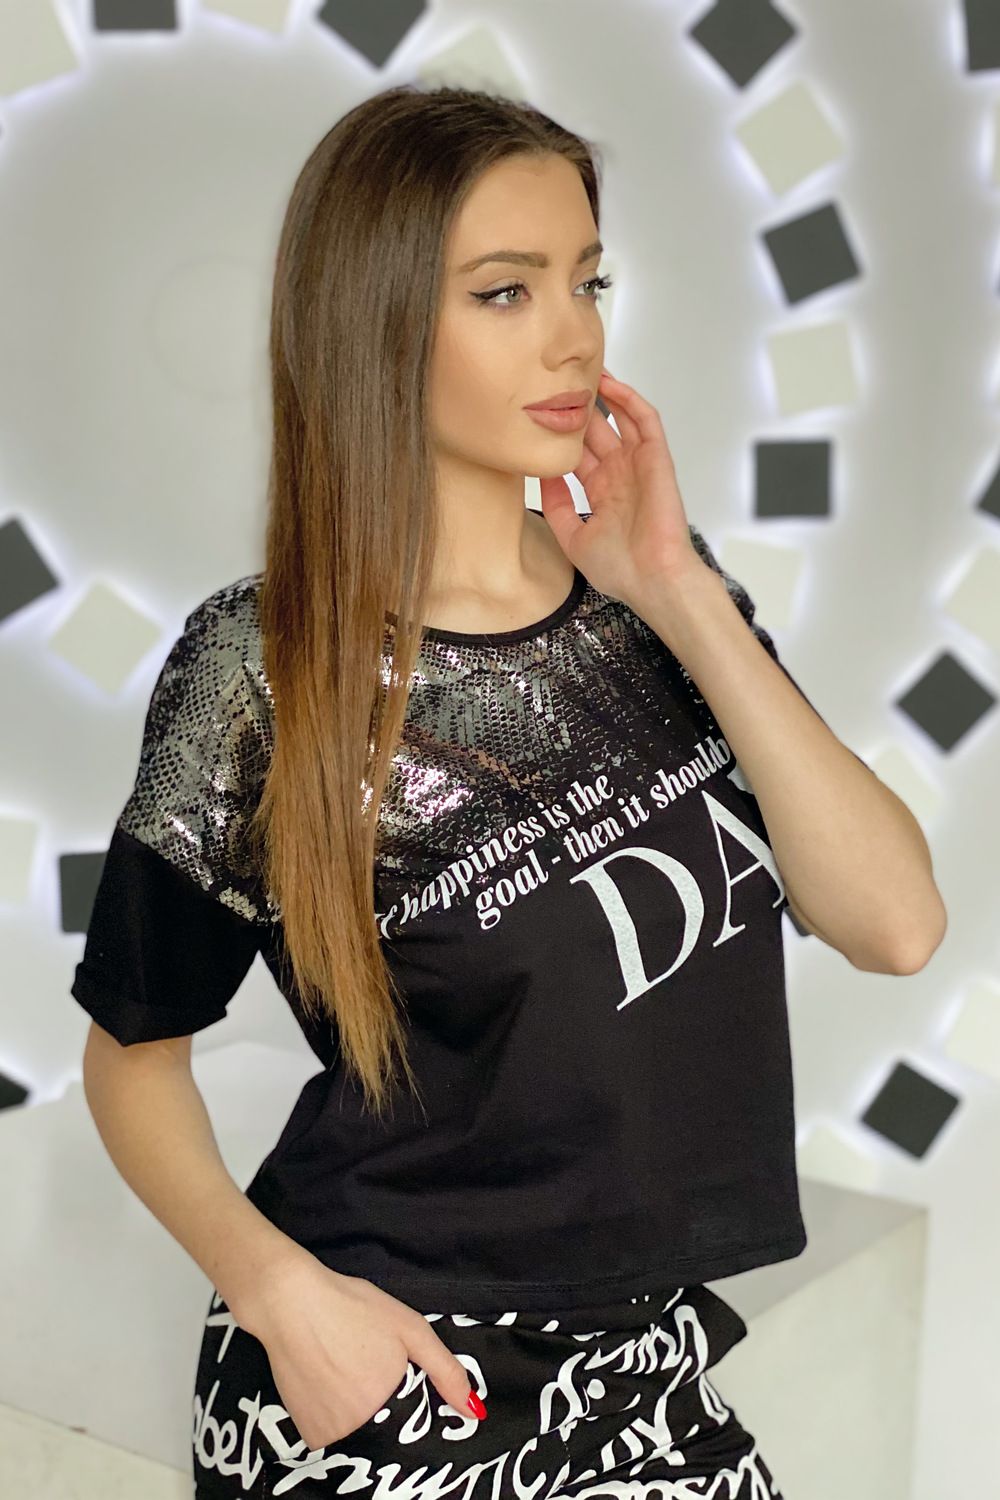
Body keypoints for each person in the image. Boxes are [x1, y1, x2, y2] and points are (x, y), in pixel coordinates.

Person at [72, 84, 943, 1500]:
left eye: (588, 280)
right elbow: (131, 1052)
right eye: (504, 290)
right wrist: (285, 1300)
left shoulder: (656, 610)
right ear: (373, 322)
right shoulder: (264, 669)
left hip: (644, 1369)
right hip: (393, 1374)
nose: (574, 336)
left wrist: (677, 590)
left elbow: (896, 923)